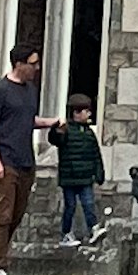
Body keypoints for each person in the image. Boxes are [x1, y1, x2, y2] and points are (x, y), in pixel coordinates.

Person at [0, 36, 44, 275]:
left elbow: (27, 120)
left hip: (26, 159)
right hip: (5, 162)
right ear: (18, 64)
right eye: (32, 64)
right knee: (2, 216)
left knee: (15, 215)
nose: (36, 69)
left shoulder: (30, 91)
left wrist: (50, 123)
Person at [45, 90, 107, 249]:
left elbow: (96, 154)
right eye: (86, 111)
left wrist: (99, 173)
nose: (89, 114)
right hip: (69, 177)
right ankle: (66, 233)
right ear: (76, 113)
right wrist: (55, 129)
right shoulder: (66, 131)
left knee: (88, 203)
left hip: (85, 177)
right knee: (70, 206)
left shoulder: (89, 133)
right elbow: (55, 140)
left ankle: (93, 228)